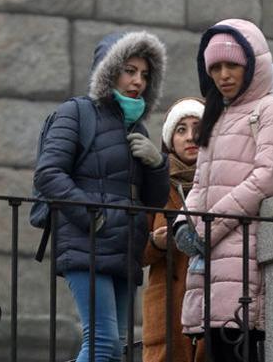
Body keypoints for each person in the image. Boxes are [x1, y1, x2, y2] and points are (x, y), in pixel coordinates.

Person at [33, 31, 170, 362]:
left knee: (115, 346)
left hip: (124, 246)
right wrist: (92, 217)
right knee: (103, 342)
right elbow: (48, 173)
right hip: (87, 240)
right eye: (129, 70)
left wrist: (156, 164)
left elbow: (153, 200)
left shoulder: (137, 129)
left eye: (145, 74)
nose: (138, 80)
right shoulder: (77, 112)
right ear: (109, 71)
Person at [174, 19, 273, 362]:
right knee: (218, 348)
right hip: (211, 258)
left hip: (247, 253)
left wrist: (206, 226)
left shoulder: (270, 109)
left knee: (239, 346)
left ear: (252, 65)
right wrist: (184, 222)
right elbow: (200, 183)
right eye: (215, 67)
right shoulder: (217, 116)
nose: (223, 75)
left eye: (232, 66)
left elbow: (269, 177)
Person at [142, 97, 206, 362]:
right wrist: (155, 244)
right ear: (170, 140)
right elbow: (134, 252)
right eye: (181, 130)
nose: (190, 137)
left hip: (211, 304)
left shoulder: (222, 180)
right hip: (168, 306)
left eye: (198, 128)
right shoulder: (155, 187)